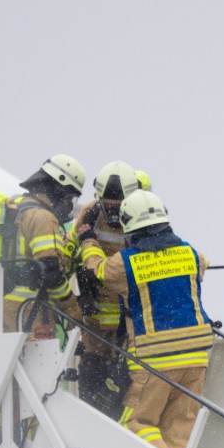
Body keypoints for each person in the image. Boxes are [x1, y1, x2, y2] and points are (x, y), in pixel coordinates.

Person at [77, 190, 213, 448]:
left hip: (156, 360)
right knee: (178, 430)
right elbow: (202, 267)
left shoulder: (127, 263)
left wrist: (87, 241)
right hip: (197, 357)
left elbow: (98, 271)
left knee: (138, 423)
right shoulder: (191, 255)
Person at [69, 161, 142, 415]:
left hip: (130, 316)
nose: (111, 211)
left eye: (117, 205)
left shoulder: (142, 214)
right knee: (92, 375)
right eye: (106, 204)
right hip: (96, 316)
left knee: (126, 382)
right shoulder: (89, 213)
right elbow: (71, 247)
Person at [2, 154, 86, 334]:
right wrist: (73, 308)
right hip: (30, 312)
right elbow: (52, 274)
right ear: (58, 189)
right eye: (69, 197)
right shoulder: (43, 218)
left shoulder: (15, 205)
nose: (69, 205)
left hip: (3, 307)